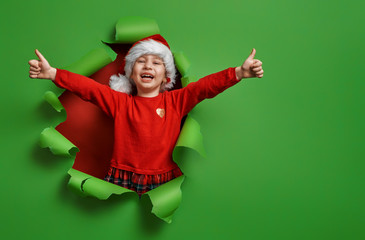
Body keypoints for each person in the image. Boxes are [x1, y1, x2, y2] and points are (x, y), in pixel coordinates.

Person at [28, 34, 264, 196]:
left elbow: (203, 87)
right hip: (121, 175)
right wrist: (53, 73)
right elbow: (89, 89)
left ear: (166, 77)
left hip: (164, 178)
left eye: (156, 63)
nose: (148, 66)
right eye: (141, 61)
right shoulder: (119, 102)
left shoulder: (176, 100)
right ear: (131, 73)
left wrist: (238, 73)